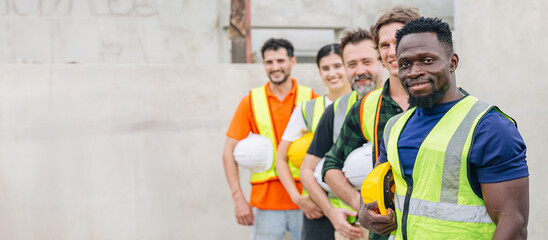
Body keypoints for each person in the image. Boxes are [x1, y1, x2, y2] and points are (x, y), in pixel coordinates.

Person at [359, 17, 529, 240]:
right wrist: (365, 215)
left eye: (427, 60)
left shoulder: (490, 128)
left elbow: (513, 223)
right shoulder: (395, 127)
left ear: (452, 62)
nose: (414, 71)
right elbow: (376, 186)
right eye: (405, 64)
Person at [319, 7, 420, 240]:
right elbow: (331, 165)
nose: (392, 51)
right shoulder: (366, 106)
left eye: (399, 41)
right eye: (384, 45)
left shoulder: (447, 103)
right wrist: (362, 206)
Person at [222, 38, 319, 240]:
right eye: (269, 62)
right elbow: (228, 152)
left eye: (280, 61)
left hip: (308, 200)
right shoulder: (250, 101)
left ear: (292, 62)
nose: (275, 67)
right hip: (265, 203)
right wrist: (238, 198)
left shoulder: (312, 99)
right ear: (263, 64)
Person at [299, 28, 384, 240]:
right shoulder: (336, 110)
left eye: (367, 61)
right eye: (351, 64)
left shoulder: (406, 105)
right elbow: (307, 171)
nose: (359, 71)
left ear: (382, 60)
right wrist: (333, 214)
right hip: (350, 225)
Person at [275, 43, 352, 240]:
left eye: (338, 66)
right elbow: (281, 159)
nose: (332, 73)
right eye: (325, 68)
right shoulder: (307, 109)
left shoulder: (367, 103)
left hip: (358, 206)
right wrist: (298, 198)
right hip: (318, 208)